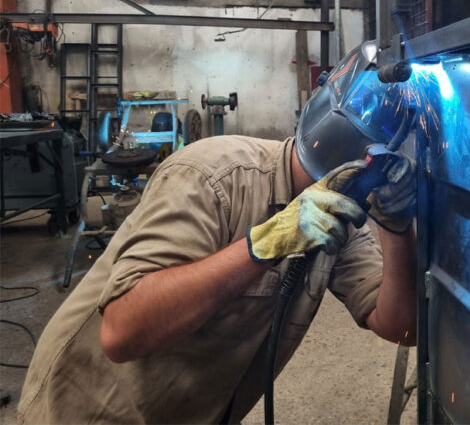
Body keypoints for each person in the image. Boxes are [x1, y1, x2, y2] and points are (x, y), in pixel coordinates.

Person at [18, 41, 418, 424]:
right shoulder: (212, 176)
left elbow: (401, 328)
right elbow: (122, 332)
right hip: (90, 410)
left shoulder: (338, 218)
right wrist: (267, 243)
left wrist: (398, 228)